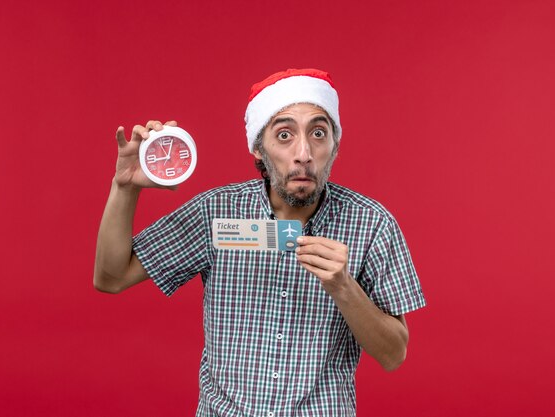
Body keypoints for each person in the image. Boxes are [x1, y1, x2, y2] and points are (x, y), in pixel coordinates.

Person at [94, 68, 426, 416]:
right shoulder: (217, 212)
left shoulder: (371, 224)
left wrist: (344, 287)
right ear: (258, 148)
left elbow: (394, 355)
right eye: (284, 135)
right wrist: (125, 187)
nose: (303, 153)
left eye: (318, 133)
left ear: (334, 145)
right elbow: (111, 277)